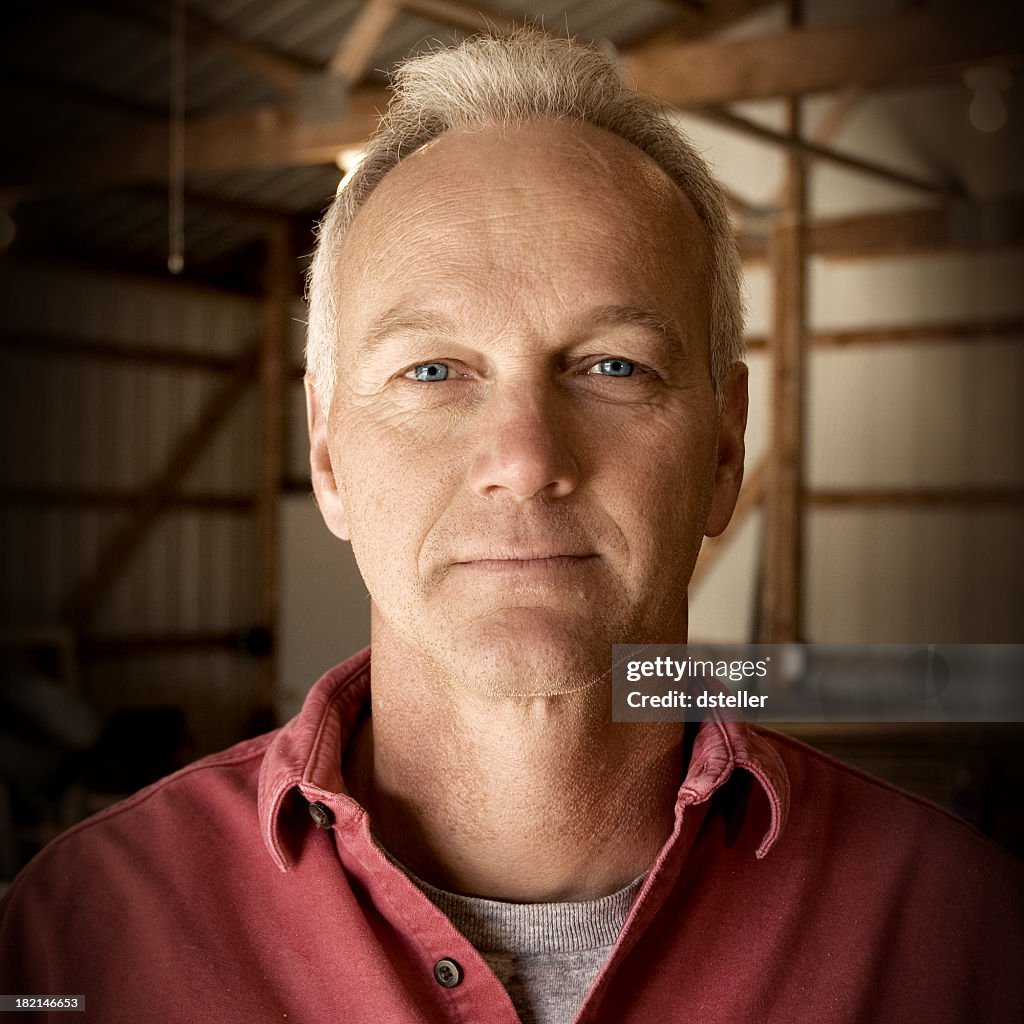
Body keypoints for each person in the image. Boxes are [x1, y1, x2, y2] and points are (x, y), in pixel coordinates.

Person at [1, 28, 1021, 1024]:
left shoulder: (966, 941)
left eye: (613, 365)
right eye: (433, 370)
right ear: (325, 453)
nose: (526, 457)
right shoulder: (78, 940)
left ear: (722, 450)